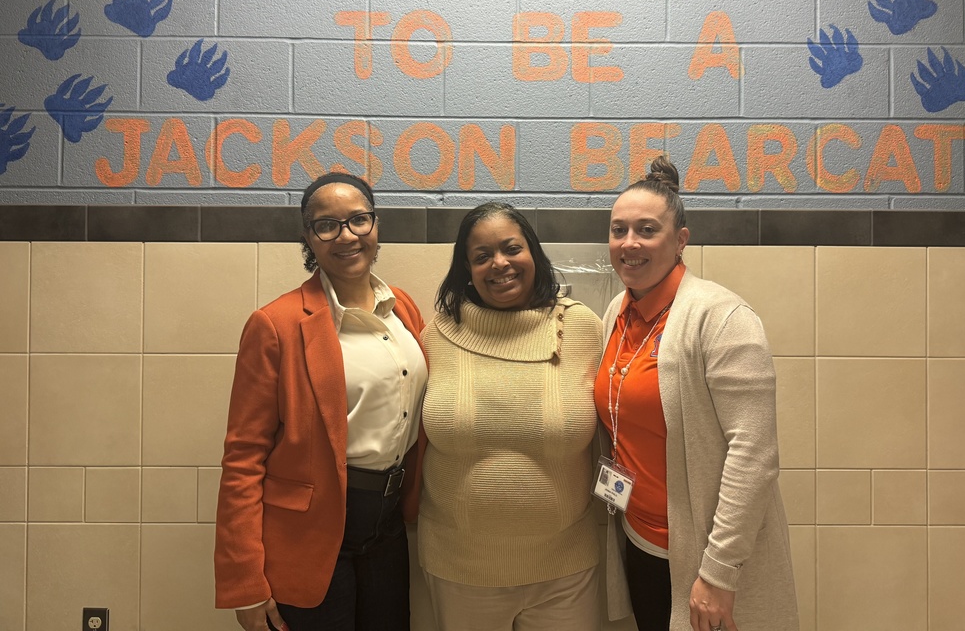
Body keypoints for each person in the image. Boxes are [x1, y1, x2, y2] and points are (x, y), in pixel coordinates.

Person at [214, 172, 428, 631]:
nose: (346, 235)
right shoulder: (275, 324)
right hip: (309, 534)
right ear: (308, 237)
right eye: (326, 225)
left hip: (387, 529)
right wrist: (245, 582)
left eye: (358, 220)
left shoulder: (403, 308)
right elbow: (243, 459)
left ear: (376, 225)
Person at [596, 156, 799, 631]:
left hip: (706, 555)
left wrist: (719, 572)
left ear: (680, 240)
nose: (629, 243)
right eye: (618, 229)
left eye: (647, 230)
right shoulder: (616, 313)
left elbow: (754, 454)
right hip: (639, 537)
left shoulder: (722, 317)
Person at [417, 202, 604, 631]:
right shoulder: (438, 334)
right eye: (481, 256)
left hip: (566, 570)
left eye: (511, 249)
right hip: (458, 568)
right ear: (466, 269)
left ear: (533, 253)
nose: (499, 264)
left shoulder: (582, 329)